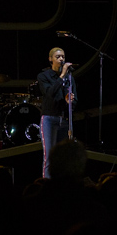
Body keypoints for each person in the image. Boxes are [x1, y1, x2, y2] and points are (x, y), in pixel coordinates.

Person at [37, 47, 76, 178]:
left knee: (63, 156)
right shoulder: (44, 76)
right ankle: (47, 184)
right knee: (49, 155)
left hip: (64, 120)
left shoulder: (70, 78)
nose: (61, 59)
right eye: (58, 57)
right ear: (50, 59)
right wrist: (62, 76)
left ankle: (62, 184)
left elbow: (75, 100)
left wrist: (70, 101)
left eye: (63, 57)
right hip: (49, 119)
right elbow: (49, 93)